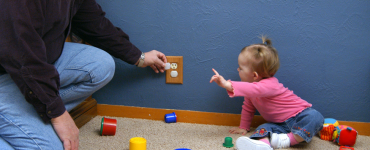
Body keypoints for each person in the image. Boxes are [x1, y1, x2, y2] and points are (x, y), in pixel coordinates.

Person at [0, 0, 167, 149]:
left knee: (101, 65)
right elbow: (21, 54)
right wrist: (57, 114)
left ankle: (25, 113)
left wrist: (140, 57)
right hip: (12, 69)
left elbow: (94, 22)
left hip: (34, 66)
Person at [210, 37, 324, 150]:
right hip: (279, 125)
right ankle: (263, 144)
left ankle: (288, 140)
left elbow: (254, 89)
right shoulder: (251, 91)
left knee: (315, 117)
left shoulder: (270, 84)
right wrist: (243, 127)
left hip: (299, 117)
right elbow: (248, 108)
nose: (237, 70)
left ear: (254, 75)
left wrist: (226, 84)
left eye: (240, 68)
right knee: (263, 128)